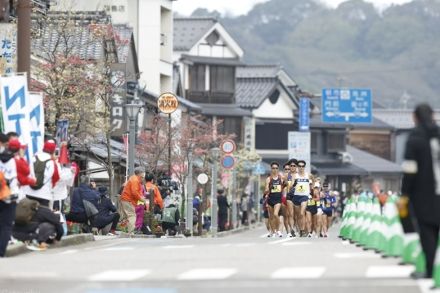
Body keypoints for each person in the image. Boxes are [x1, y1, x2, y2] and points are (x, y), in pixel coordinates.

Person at [401, 103, 440, 279]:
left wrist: (405, 194)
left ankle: (431, 271)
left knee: (428, 234)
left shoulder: (415, 138)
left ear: (415, 117)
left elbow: (409, 169)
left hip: (423, 195)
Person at [22, 140, 59, 207]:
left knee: (27, 215)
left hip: (28, 192)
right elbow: (56, 177)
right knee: (40, 215)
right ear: (53, 150)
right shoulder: (52, 162)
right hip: (43, 194)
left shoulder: (33, 157)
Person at [0, 133, 19, 257]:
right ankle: (1, 251)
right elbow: (14, 178)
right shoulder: (12, 159)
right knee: (6, 225)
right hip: (8, 195)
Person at [119, 167, 146, 233]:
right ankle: (131, 231)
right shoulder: (135, 181)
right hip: (129, 200)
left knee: (127, 216)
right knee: (132, 215)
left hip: (128, 200)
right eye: (142, 176)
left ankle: (125, 230)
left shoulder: (134, 179)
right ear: (140, 174)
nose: (143, 178)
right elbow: (135, 192)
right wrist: (141, 199)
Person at [264, 161, 286, 238]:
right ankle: (273, 231)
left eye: (276, 168)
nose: (275, 169)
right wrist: (267, 189)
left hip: (278, 199)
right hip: (270, 199)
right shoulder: (268, 179)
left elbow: (287, 184)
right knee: (271, 217)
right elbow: (266, 189)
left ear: (278, 169)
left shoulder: (281, 178)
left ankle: (279, 230)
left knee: (276, 214)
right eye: (273, 168)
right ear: (271, 169)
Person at [292, 160, 314, 237]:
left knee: (302, 213)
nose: (301, 168)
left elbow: (313, 182)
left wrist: (311, 190)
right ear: (297, 167)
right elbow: (291, 185)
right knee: (298, 215)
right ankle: (301, 230)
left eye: (302, 166)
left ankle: (303, 230)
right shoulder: (295, 176)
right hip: (296, 196)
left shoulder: (309, 175)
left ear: (304, 167)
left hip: (305, 196)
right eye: (300, 166)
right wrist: (294, 184)